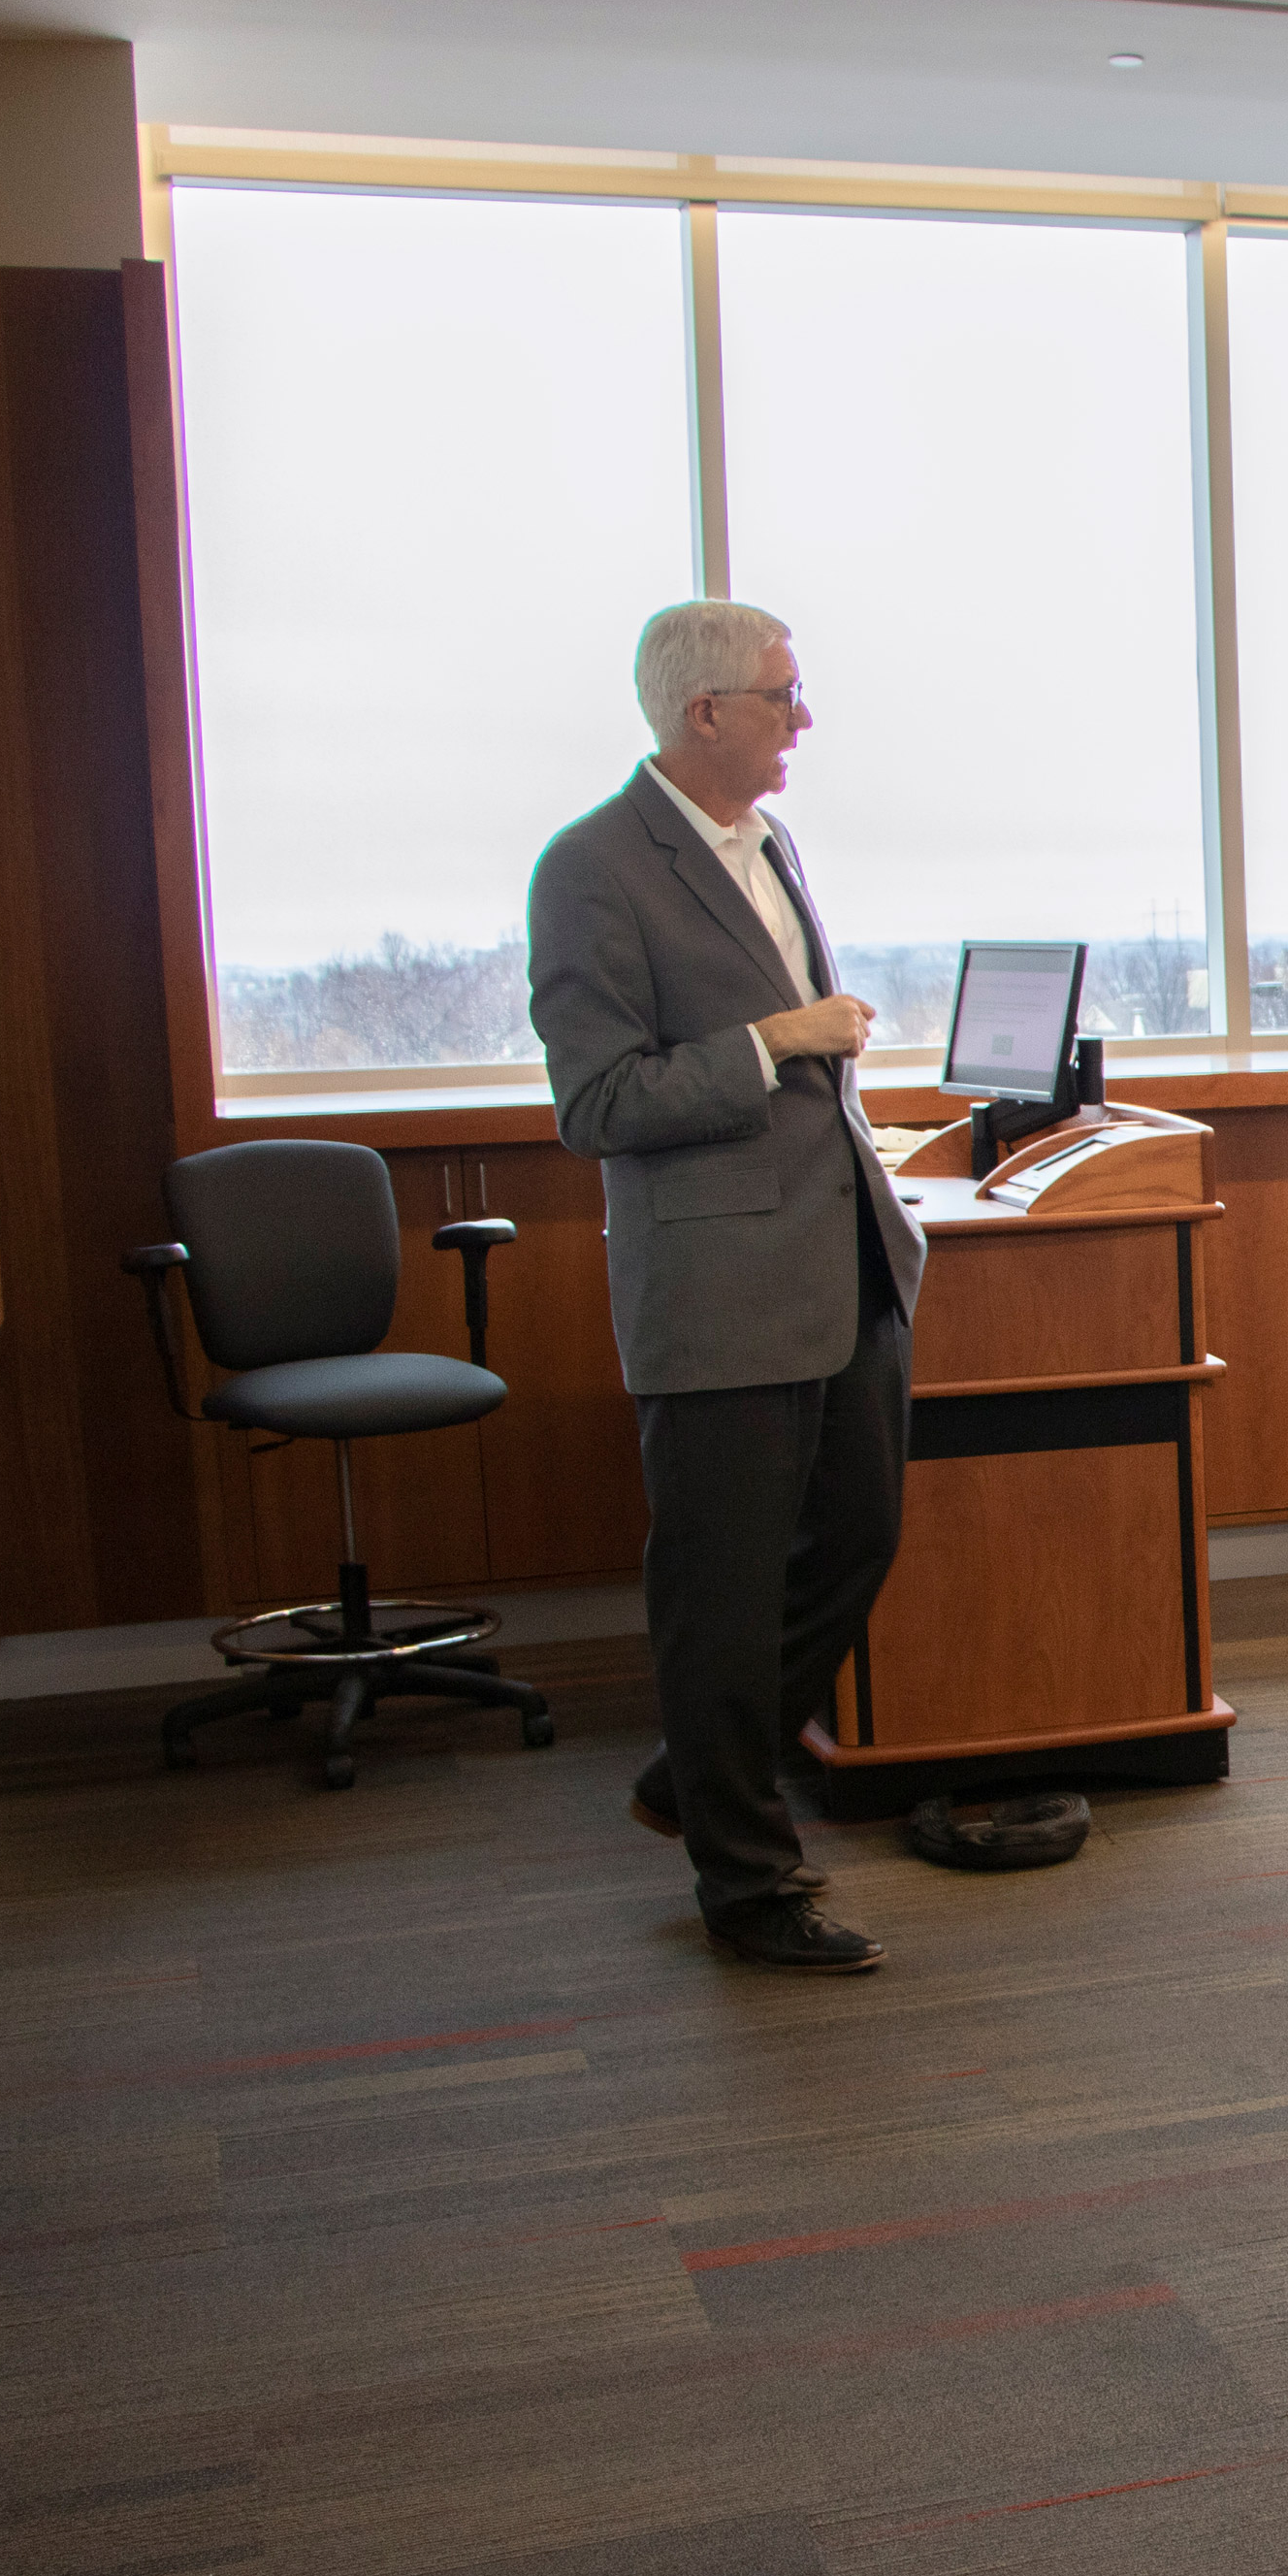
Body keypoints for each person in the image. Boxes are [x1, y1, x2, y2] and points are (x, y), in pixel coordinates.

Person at [530, 601, 926, 1975]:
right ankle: (749, 1885)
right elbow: (597, 1099)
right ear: (705, 714)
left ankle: (696, 1773)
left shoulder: (772, 844)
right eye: (781, 695)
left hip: (843, 1262)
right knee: (724, 1589)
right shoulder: (591, 868)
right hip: (716, 1286)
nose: (801, 718)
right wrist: (772, 1042)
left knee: (860, 1539)